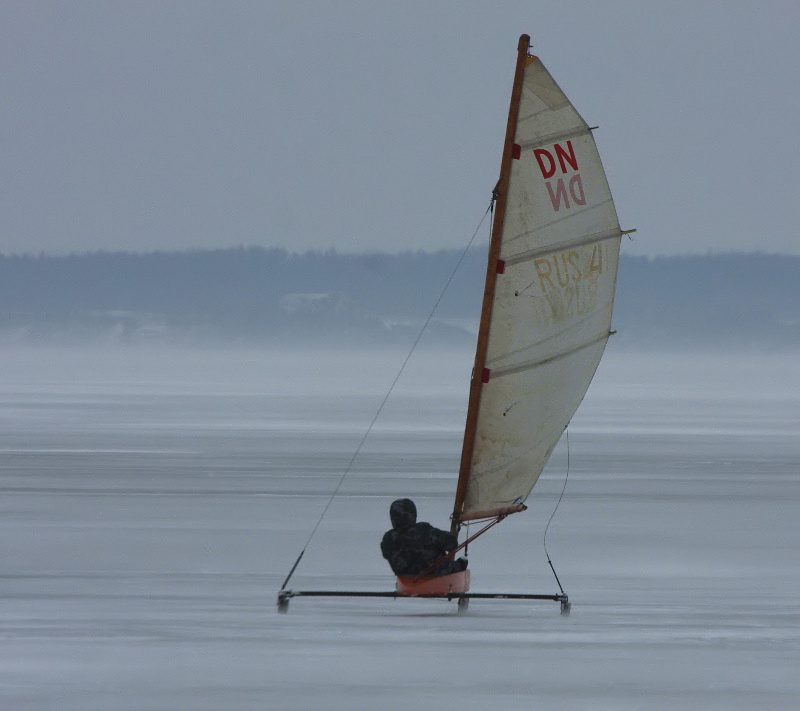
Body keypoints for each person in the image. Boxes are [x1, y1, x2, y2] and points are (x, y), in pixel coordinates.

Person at [380, 498, 468, 577]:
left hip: (405, 576)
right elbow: (452, 544)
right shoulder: (424, 530)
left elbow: (386, 554)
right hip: (435, 574)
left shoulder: (388, 538)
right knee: (462, 562)